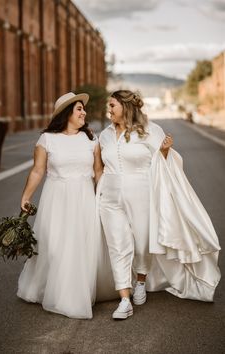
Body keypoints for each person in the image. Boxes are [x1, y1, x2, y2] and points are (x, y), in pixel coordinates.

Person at [97, 90, 221, 320]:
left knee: (143, 242)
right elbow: (98, 167)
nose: (109, 110)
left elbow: (165, 164)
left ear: (125, 107)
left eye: (112, 105)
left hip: (142, 194)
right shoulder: (104, 135)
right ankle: (124, 297)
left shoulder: (151, 131)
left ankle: (141, 279)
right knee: (118, 245)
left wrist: (164, 152)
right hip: (110, 197)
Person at [17, 92, 103, 319]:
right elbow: (38, 170)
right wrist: (26, 196)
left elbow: (98, 171)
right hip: (56, 199)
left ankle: (75, 293)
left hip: (84, 198)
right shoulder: (47, 139)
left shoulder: (91, 140)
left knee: (80, 245)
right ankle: (48, 287)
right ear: (67, 114)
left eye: (83, 109)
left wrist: (105, 196)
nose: (84, 112)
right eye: (78, 109)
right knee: (54, 246)